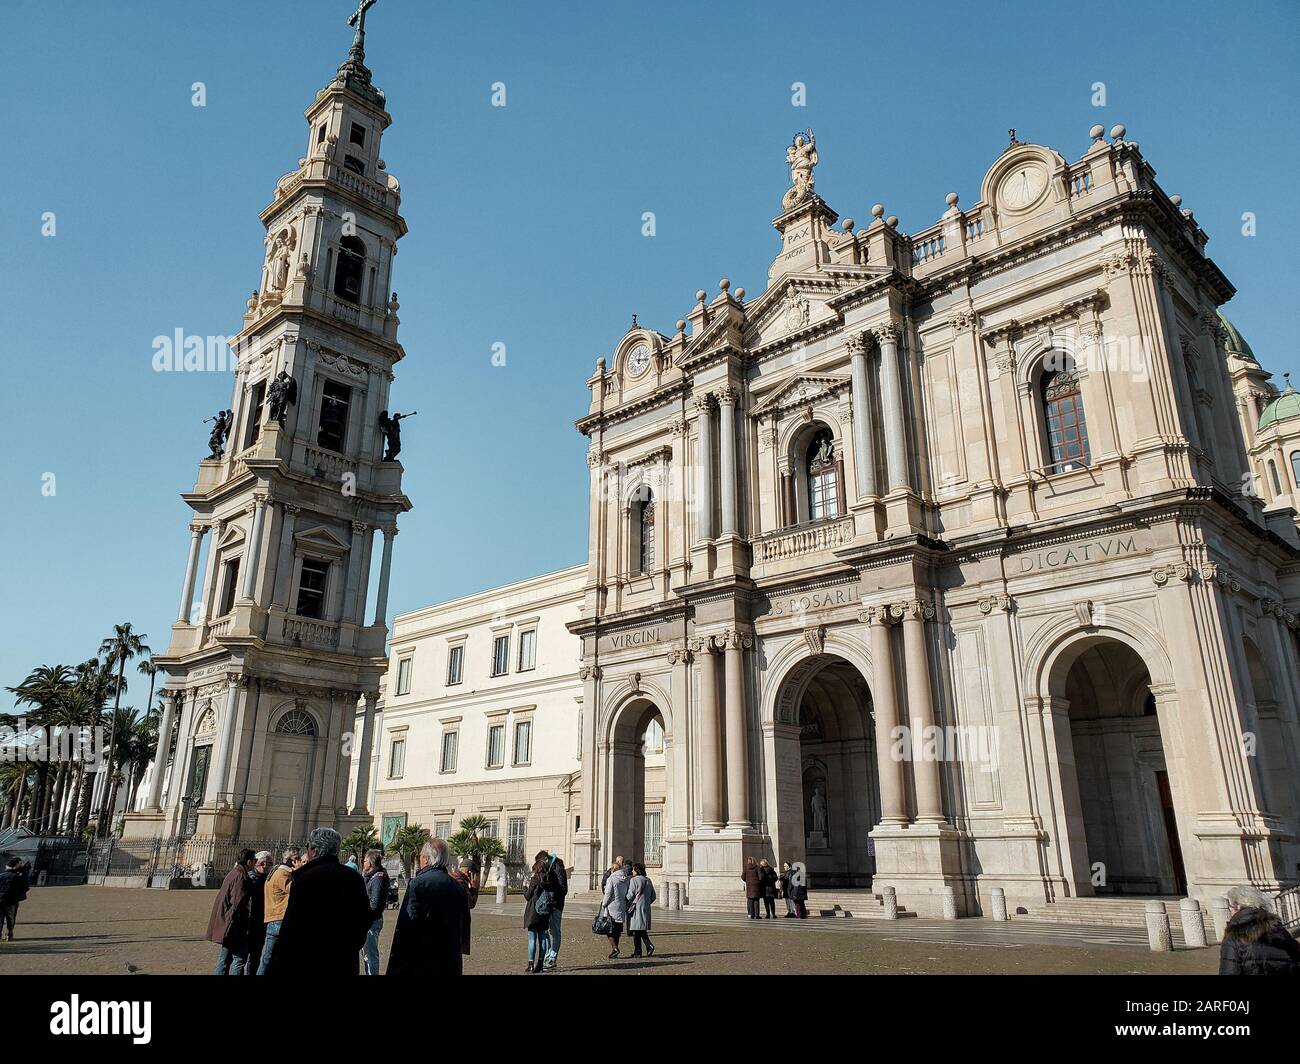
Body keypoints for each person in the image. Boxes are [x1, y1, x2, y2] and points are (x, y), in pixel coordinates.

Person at [264, 827, 371, 977]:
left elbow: (293, 928)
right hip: (343, 961)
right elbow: (364, 919)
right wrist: (350, 946)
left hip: (308, 960)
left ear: (313, 850)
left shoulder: (305, 878)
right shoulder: (354, 878)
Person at [387, 837, 471, 976]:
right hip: (450, 958)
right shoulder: (458, 886)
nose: (419, 859)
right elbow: (465, 924)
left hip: (422, 958)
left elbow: (407, 925)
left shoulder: (418, 883)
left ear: (426, 859)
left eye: (420, 856)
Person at [1218, 886, 1300, 975]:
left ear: (1237, 907)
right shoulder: (1278, 929)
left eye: (1230, 907)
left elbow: (1229, 970)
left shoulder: (1233, 935)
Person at [206, 848, 256, 974]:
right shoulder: (240, 876)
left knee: (225, 958)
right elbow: (237, 903)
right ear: (249, 862)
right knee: (239, 958)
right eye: (254, 860)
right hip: (233, 923)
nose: (255, 863)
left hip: (227, 922)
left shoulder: (234, 872)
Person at [257, 846, 299, 974]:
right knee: (271, 960)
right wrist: (300, 872)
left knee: (268, 959)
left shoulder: (275, 872)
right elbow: (297, 890)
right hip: (280, 919)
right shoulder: (283, 874)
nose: (297, 862)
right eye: (296, 859)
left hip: (273, 918)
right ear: (290, 860)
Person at [362, 849, 390, 976]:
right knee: (366, 954)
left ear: (371, 862)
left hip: (371, 921)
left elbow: (375, 903)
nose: (363, 862)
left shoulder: (378, 878)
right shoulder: (371, 876)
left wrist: (366, 917)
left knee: (371, 955)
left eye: (365, 860)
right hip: (369, 920)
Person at [523, 852, 552, 973]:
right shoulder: (549, 879)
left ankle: (530, 964)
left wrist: (524, 888)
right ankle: (540, 963)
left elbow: (528, 895)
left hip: (533, 911)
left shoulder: (535, 879)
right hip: (544, 911)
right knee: (543, 938)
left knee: (532, 938)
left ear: (536, 869)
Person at [244, 851, 271, 975]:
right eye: (262, 863)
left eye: (269, 863)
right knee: (241, 958)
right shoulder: (250, 878)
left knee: (256, 956)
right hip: (249, 922)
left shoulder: (269, 879)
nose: (265, 866)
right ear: (255, 864)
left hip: (262, 922)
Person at [450, 856, 480, 958]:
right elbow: (471, 904)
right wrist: (475, 888)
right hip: (456, 930)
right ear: (470, 873)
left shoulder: (452, 877)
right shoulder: (461, 884)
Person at [541, 853, 568, 971]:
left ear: (546, 859)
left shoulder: (558, 866)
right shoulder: (549, 868)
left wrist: (549, 885)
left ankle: (552, 957)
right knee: (546, 931)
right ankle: (547, 955)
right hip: (548, 904)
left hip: (556, 904)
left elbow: (563, 888)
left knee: (555, 931)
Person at [601, 858, 631, 958]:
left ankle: (615, 948)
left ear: (613, 870)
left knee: (608, 929)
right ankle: (615, 950)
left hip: (611, 908)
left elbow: (608, 894)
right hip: (621, 907)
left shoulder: (611, 879)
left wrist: (604, 903)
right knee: (617, 930)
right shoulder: (625, 879)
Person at [626, 862, 657, 957]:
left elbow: (630, 895)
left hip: (636, 908)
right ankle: (647, 947)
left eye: (633, 870)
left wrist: (626, 898)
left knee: (636, 930)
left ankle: (638, 951)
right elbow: (653, 896)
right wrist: (646, 902)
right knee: (640, 929)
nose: (632, 871)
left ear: (637, 870)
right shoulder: (648, 880)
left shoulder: (634, 880)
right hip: (646, 907)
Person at [0, 858, 31, 942]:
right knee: (10, 918)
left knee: (0, 918)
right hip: (11, 900)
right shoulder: (17, 877)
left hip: (1, 899)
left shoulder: (1, 876)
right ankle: (9, 934)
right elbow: (25, 887)